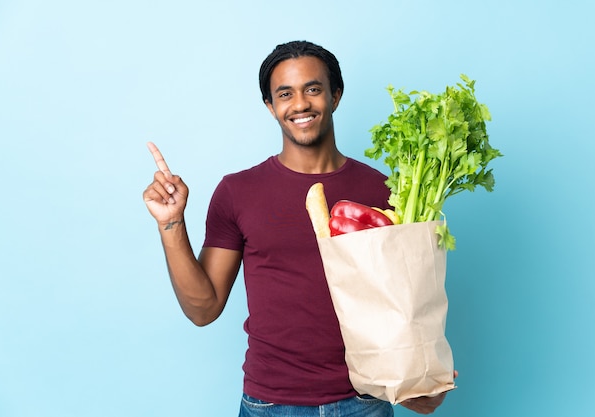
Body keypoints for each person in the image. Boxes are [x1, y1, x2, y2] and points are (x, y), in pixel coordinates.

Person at [143, 40, 455, 416]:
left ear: (335, 96)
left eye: (313, 89)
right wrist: (172, 222)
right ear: (270, 107)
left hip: (364, 402)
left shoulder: (386, 191)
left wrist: (419, 379)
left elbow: (407, 302)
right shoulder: (237, 192)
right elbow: (203, 309)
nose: (301, 103)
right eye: (285, 93)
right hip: (270, 404)